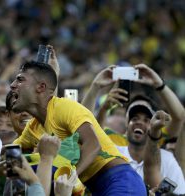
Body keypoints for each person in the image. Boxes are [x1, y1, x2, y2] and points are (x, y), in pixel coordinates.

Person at [10, 60, 146, 195]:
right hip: (96, 189)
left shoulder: (63, 107)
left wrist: (70, 176)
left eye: (20, 80)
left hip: (121, 181)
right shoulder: (32, 128)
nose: (12, 85)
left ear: (41, 87)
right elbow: (10, 155)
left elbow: (93, 145)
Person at [116, 96, 185, 194]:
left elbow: (181, 193)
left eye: (146, 120)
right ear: (127, 126)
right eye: (134, 118)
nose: (139, 122)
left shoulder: (167, 159)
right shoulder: (114, 155)